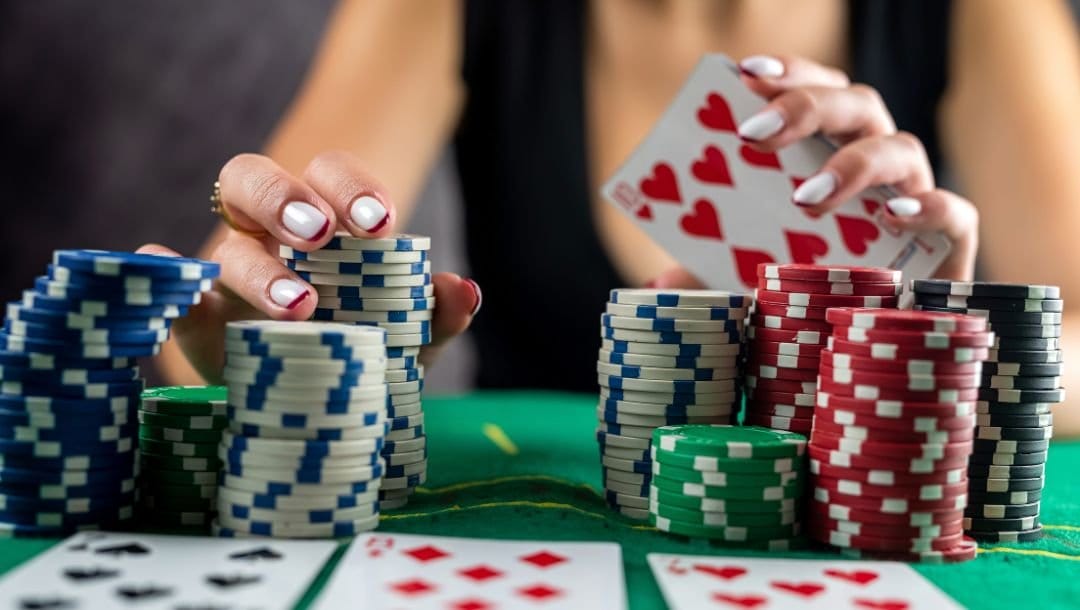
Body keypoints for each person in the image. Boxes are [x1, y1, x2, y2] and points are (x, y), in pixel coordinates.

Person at [142, 0, 1080, 433]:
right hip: (536, 524)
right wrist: (270, 338)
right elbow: (221, 331)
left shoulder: (982, 8)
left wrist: (934, 352)